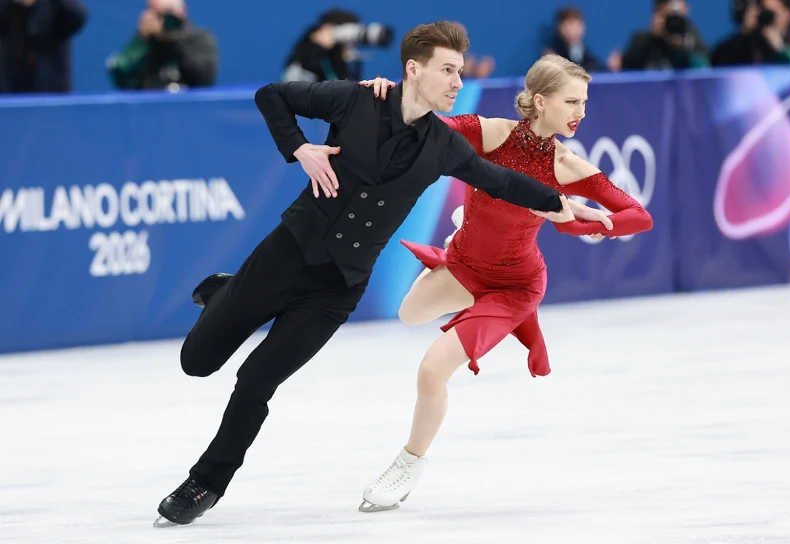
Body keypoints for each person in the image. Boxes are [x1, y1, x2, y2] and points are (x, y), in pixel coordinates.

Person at [153, 23, 611, 528]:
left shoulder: (444, 145)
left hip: (337, 288)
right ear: (413, 69)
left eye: (460, 72)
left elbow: (501, 180)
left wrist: (565, 205)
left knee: (257, 379)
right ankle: (227, 294)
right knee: (196, 363)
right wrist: (299, 149)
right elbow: (273, 96)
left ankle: (207, 482)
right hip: (286, 255)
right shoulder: (354, 100)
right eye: (447, 70)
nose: (457, 82)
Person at [354, 54, 654, 512]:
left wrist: (586, 221)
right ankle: (464, 256)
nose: (581, 112)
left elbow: (640, 216)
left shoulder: (567, 165)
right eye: (572, 101)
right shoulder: (491, 133)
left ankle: (407, 465)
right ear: (540, 101)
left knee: (433, 369)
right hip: (465, 262)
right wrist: (391, 94)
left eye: (585, 102)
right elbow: (426, 127)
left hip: (514, 284)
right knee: (408, 313)